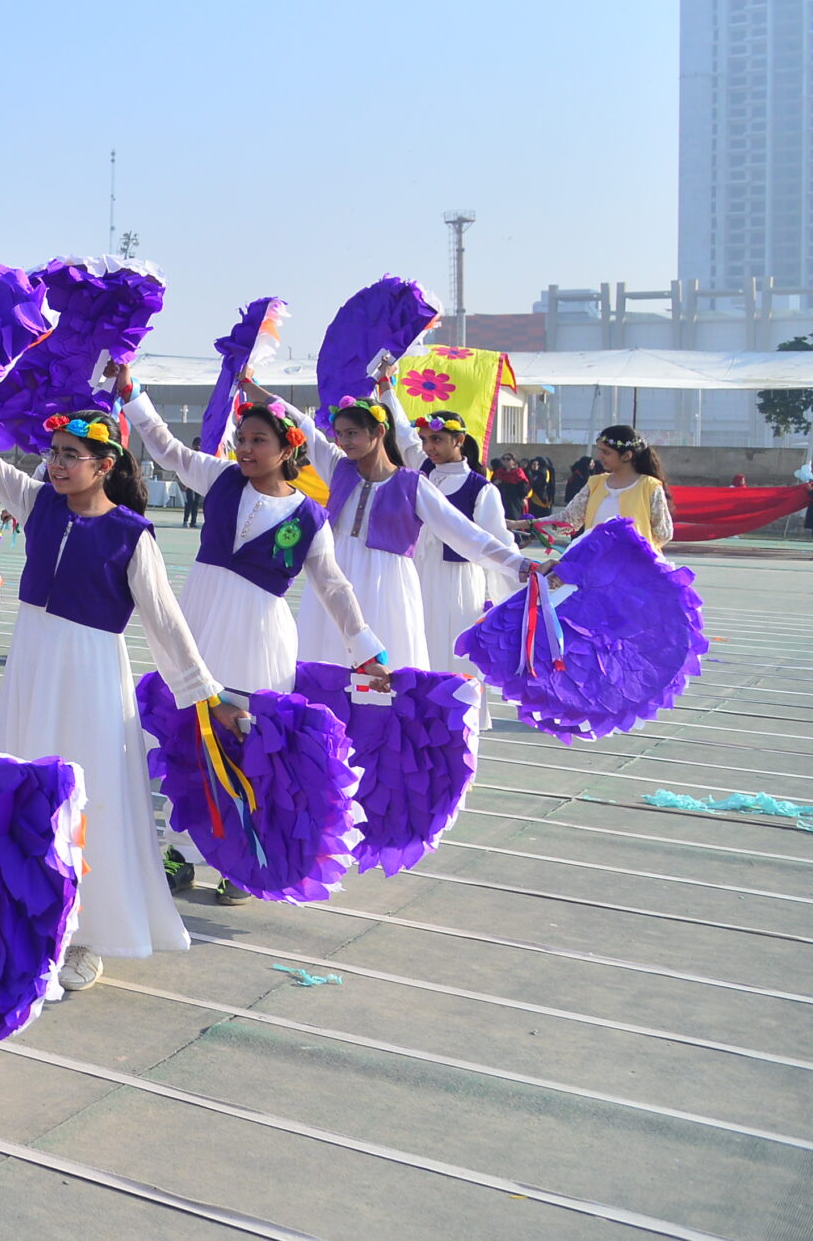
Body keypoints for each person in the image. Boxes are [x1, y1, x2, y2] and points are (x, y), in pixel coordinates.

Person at [0, 391, 234, 986]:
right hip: (32, 669)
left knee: (88, 799)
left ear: (104, 466)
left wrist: (206, 694)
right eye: (52, 452)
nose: (54, 464)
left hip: (92, 677)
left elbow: (166, 624)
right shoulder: (38, 503)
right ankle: (24, 921)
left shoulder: (132, 535)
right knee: (22, 785)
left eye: (69, 455)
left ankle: (86, 935)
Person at [109, 365, 387, 901]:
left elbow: (333, 587)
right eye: (242, 438)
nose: (246, 448)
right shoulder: (220, 479)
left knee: (246, 745)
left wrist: (365, 650)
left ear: (287, 448)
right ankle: (179, 851)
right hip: (198, 625)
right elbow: (167, 449)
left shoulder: (310, 517)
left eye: (259, 440)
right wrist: (133, 395)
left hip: (260, 638)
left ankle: (241, 862)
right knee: (183, 738)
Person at [260, 375, 538, 670]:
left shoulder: (413, 484)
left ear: (379, 431)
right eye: (340, 434)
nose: (344, 441)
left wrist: (521, 565)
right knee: (327, 660)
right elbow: (304, 426)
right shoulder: (338, 467)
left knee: (386, 671)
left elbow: (464, 533)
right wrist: (251, 386)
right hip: (336, 577)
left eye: (352, 433)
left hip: (386, 586)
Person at [412, 410, 522, 681]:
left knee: (453, 645)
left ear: (459, 440)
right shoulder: (420, 475)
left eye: (436, 439)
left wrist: (524, 573)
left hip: (457, 579)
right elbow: (402, 436)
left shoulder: (481, 489)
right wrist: (386, 391)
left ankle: (456, 703)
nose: (428, 447)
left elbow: (498, 541)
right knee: (417, 638)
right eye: (424, 440)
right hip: (417, 571)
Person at [530, 425, 676, 551]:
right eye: (600, 451)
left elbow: (663, 533)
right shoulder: (595, 483)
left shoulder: (649, 486)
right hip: (596, 563)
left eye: (606, 452)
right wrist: (528, 524)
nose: (600, 456)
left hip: (635, 566)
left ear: (627, 456)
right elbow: (569, 519)